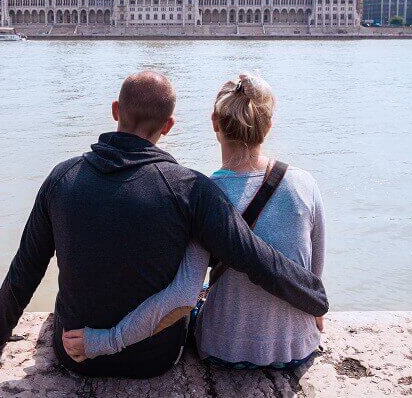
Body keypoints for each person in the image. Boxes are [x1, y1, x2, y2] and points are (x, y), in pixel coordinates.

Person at [0, 71, 328, 379]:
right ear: (169, 126)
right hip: (156, 359)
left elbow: (27, 266)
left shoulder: (61, 178)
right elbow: (253, 259)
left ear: (114, 111)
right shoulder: (190, 188)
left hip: (73, 354)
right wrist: (315, 298)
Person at [63, 73, 326, 370]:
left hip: (225, 348)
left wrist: (105, 340)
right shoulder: (305, 182)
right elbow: (313, 270)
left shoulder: (200, 192)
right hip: (300, 344)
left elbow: (182, 297)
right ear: (268, 126)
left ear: (214, 122)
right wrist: (315, 314)